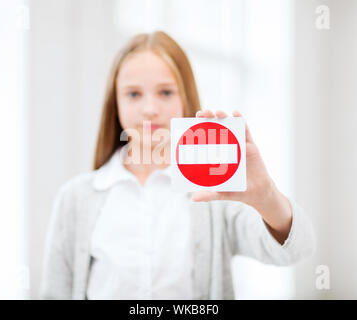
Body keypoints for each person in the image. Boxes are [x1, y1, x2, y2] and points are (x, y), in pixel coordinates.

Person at [40, 31, 315, 300]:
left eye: (166, 92)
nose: (150, 108)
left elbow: (295, 250)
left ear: (186, 97)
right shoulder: (75, 198)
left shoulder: (215, 192)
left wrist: (266, 196)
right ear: (116, 103)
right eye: (133, 94)